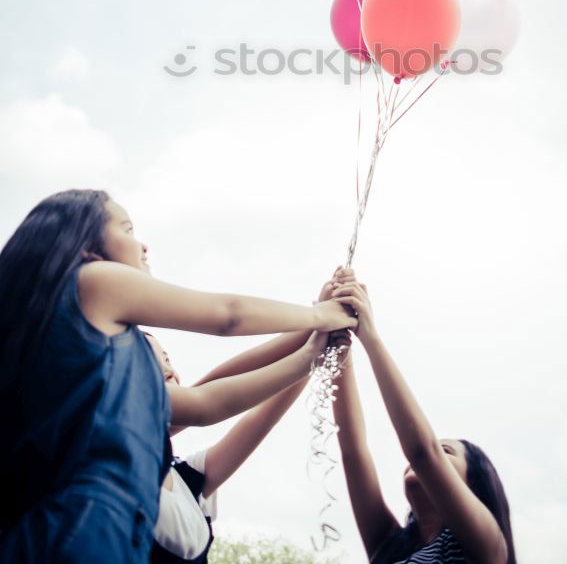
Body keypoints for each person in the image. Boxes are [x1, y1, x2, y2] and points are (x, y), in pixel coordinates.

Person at [0, 189, 355, 562]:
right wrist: (320, 317)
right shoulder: (95, 280)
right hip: (83, 533)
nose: (144, 244)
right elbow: (227, 314)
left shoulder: (99, 383)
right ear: (87, 247)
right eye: (128, 228)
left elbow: (206, 402)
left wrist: (313, 350)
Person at [328, 268, 516, 564]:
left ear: (474, 484)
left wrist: (370, 335)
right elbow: (353, 452)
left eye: (446, 452)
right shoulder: (389, 545)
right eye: (438, 449)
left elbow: (422, 452)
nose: (433, 456)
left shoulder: (487, 544)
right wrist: (338, 340)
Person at [146, 315, 337, 563]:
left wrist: (321, 331)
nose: (168, 370)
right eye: (149, 360)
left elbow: (259, 419)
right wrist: (311, 350)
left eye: (167, 358)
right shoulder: (103, 453)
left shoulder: (188, 476)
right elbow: (207, 396)